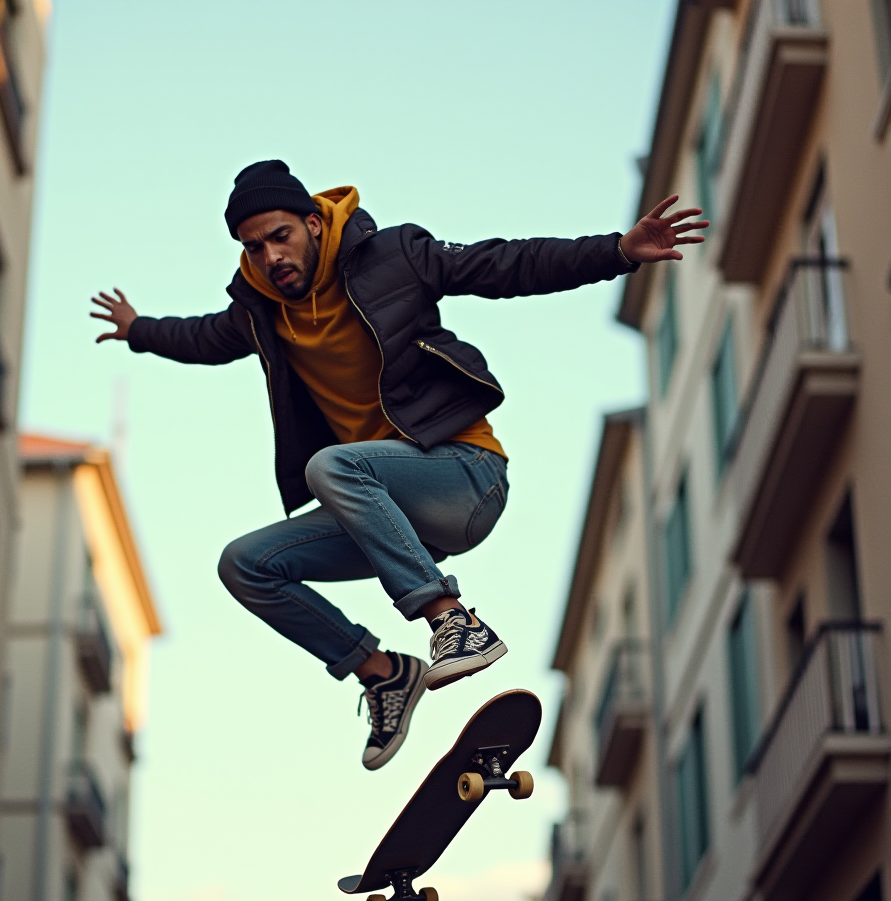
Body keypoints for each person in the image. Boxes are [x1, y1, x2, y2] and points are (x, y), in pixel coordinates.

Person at [91, 160, 706, 770]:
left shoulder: (393, 256)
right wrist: (138, 329)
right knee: (246, 565)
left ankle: (453, 622)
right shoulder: (260, 311)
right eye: (254, 247)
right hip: (387, 517)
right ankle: (383, 673)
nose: (270, 256)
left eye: (280, 236)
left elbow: (503, 264)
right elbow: (201, 338)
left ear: (313, 223)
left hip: (464, 476)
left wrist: (617, 252)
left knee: (331, 469)